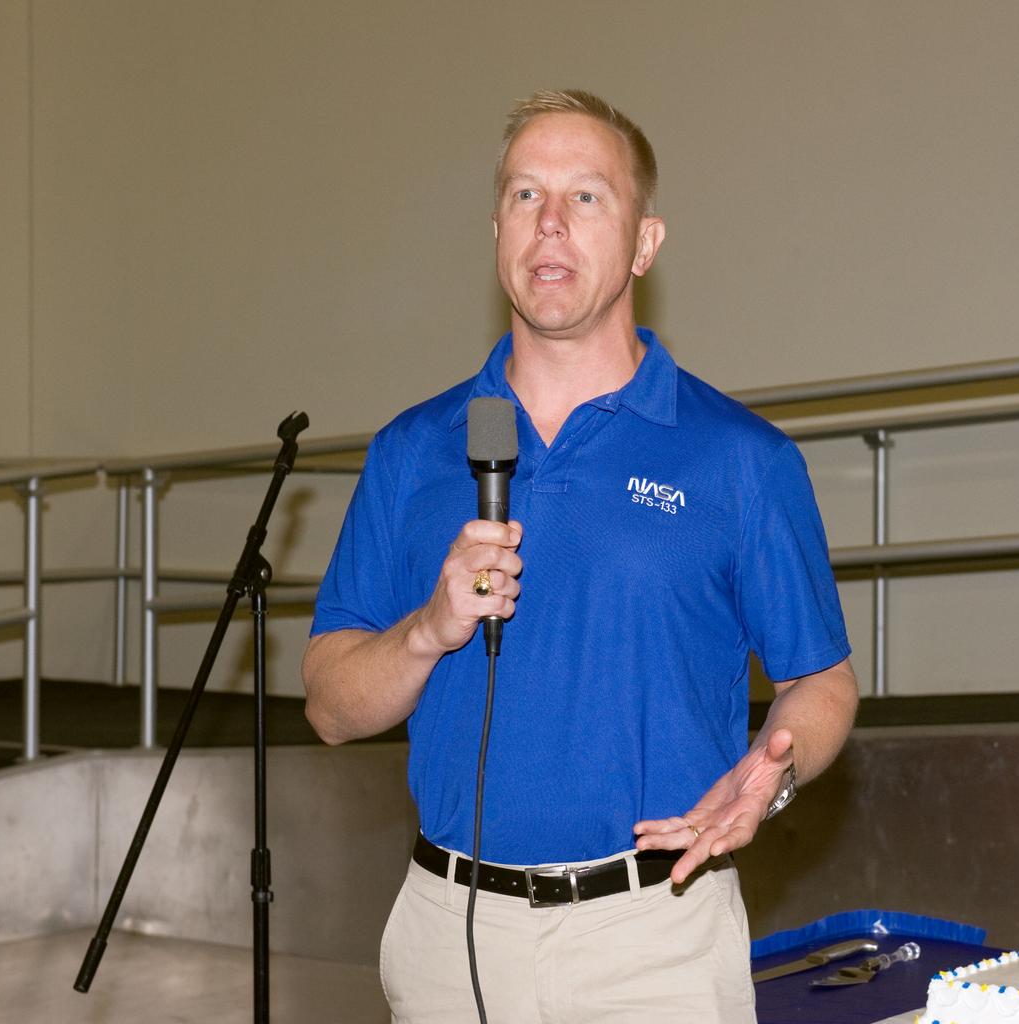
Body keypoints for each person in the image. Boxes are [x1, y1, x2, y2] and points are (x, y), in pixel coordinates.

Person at [303, 89, 859, 1023]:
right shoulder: (412, 449)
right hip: (448, 937)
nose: (550, 222)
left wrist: (775, 770)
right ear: (496, 234)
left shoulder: (741, 459)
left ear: (645, 242)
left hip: (655, 942)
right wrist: (427, 631)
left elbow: (824, 683)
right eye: (525, 196)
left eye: (586, 197)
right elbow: (327, 705)